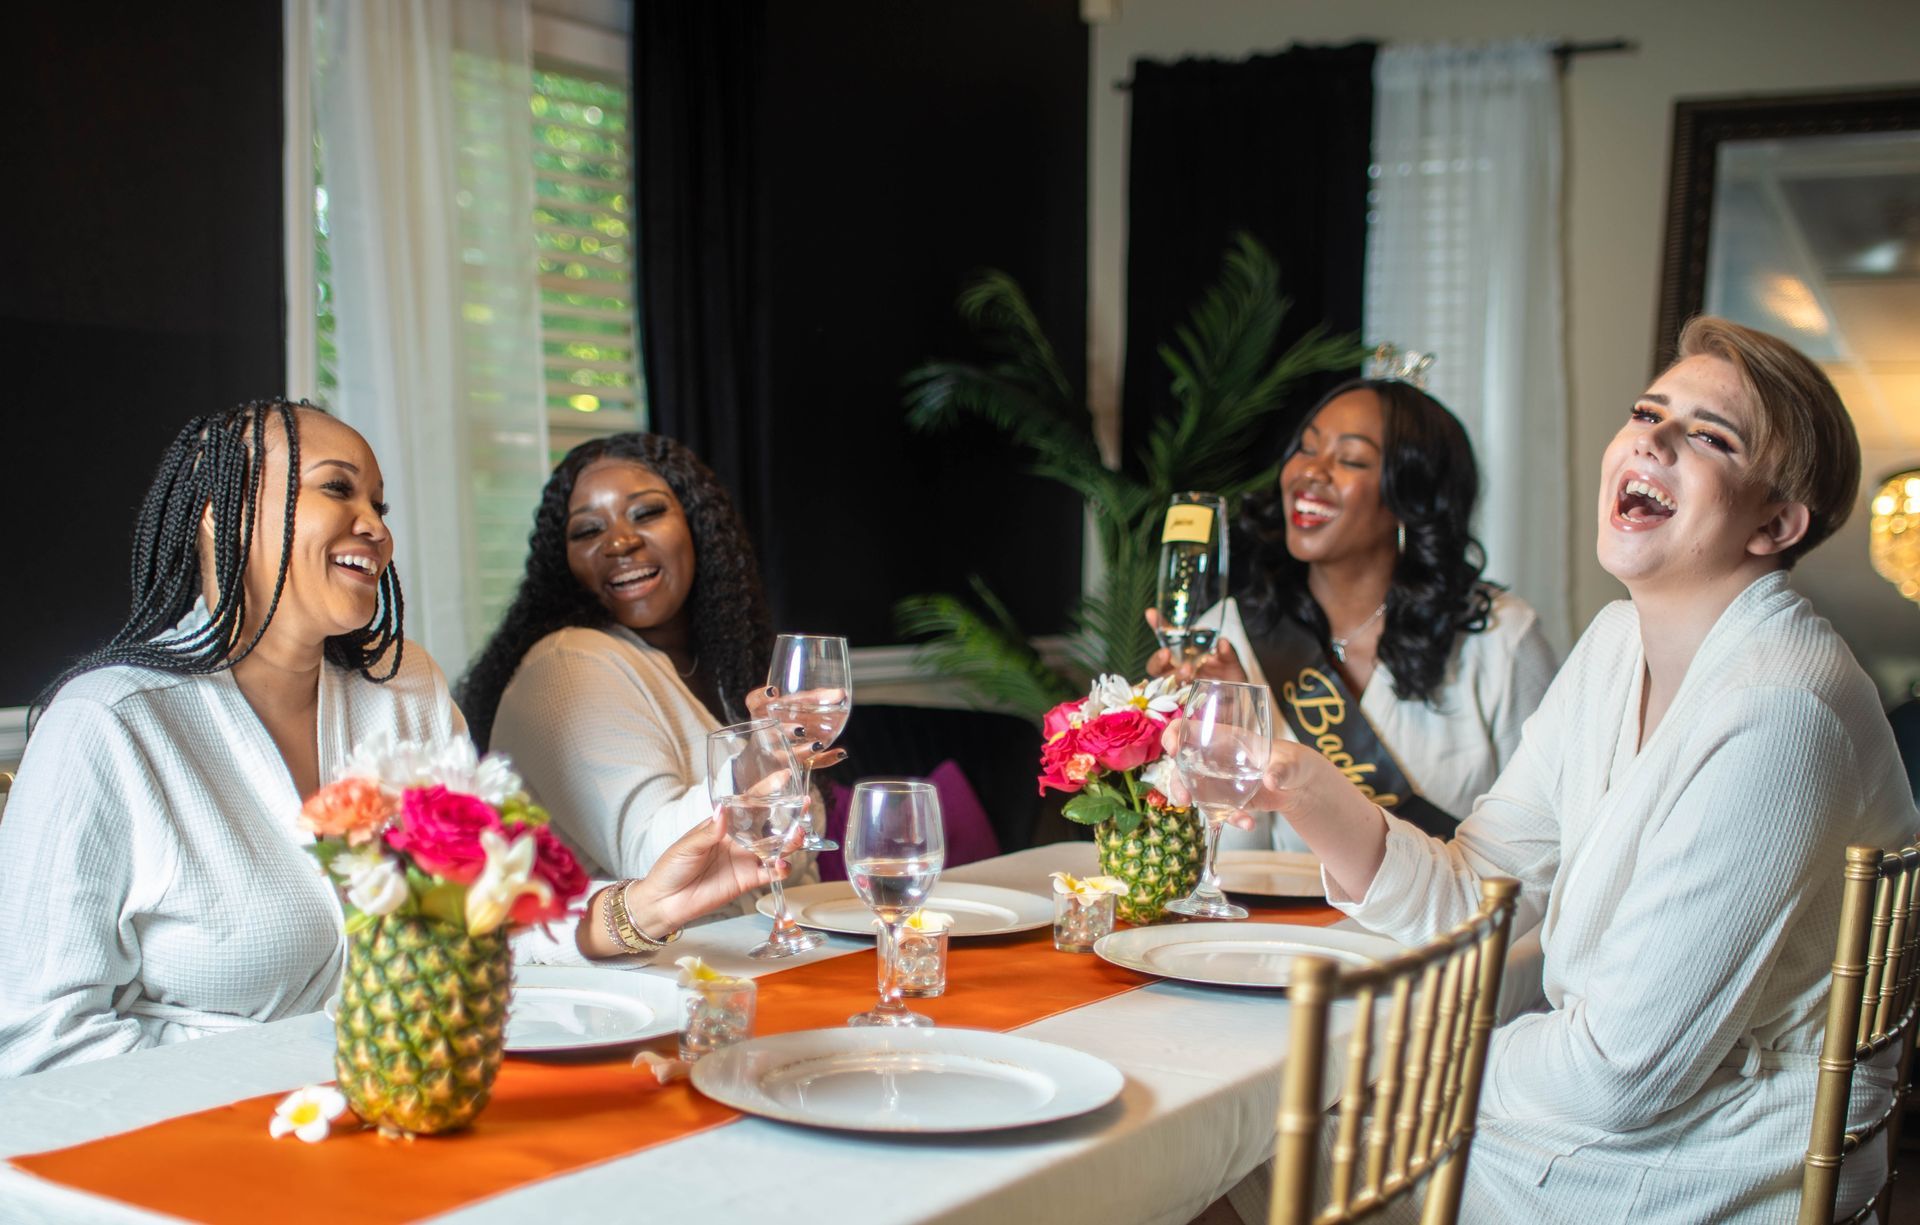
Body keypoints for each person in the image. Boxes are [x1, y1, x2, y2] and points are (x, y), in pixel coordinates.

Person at [1215, 318, 1917, 1221]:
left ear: (1775, 522)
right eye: (1648, 411)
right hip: (1607, 1132)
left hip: (1686, 1171)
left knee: (1220, 1166)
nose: (1652, 438)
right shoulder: (1620, 642)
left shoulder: (1783, 710)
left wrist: (1385, 1059)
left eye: (1708, 436)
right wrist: (1296, 781)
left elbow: (1618, 1078)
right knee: (1230, 1151)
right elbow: (1478, 885)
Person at [0, 403, 783, 1078]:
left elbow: (485, 916)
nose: (375, 526)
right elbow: (41, 1041)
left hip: (414, 1110)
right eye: (338, 488)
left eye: (380, 502)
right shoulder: (110, 725)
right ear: (222, 513)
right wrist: (296, 1087)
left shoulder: (403, 691)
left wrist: (637, 908)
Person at [1150, 376, 1558, 846]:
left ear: (1411, 498)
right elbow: (1226, 871)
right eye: (1306, 449)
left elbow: (1546, 840)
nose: (1312, 473)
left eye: (1351, 459)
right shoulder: (1227, 634)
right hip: (1278, 922)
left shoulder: (1499, 638)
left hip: (1444, 919)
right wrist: (1229, 741)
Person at [461, 433, 830, 880]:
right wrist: (755, 763)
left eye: (647, 513)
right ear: (565, 563)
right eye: (588, 530)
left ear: (698, 526)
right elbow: (653, 863)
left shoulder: (724, 668)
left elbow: (797, 861)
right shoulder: (568, 664)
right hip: (657, 952)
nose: (619, 543)